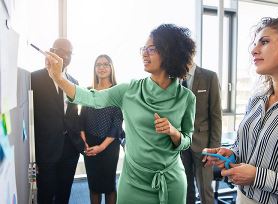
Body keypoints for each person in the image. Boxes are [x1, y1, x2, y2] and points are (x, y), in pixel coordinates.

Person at [46, 24, 196, 204]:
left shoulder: (186, 98)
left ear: (169, 53)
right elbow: (91, 98)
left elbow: (186, 141)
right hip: (134, 181)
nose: (144, 53)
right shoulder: (129, 90)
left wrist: (174, 132)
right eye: (144, 49)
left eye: (152, 49)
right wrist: (59, 79)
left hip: (171, 182)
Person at [203, 16, 278, 204]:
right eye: (255, 44)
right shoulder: (256, 100)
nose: (254, 50)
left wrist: (258, 177)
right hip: (241, 198)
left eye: (264, 42)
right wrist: (232, 154)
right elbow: (245, 147)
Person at [31, 38, 84, 204]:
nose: (66, 56)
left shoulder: (74, 82)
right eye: (61, 51)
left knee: (64, 193)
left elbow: (73, 115)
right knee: (45, 194)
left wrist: (80, 141)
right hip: (46, 149)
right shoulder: (35, 78)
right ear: (51, 50)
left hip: (70, 149)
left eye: (69, 53)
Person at [80, 54, 124, 204]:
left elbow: (117, 123)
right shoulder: (88, 90)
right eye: (98, 64)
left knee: (109, 186)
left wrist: (102, 147)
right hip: (90, 144)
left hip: (110, 145)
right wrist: (83, 141)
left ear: (111, 68)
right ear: (94, 68)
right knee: (94, 186)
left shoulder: (118, 91)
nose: (102, 67)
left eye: (106, 64)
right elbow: (82, 118)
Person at [181, 60, 222, 204]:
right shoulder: (172, 77)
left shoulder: (209, 76)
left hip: (203, 144)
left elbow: (216, 116)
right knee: (185, 188)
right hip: (180, 142)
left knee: (205, 190)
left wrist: (214, 149)